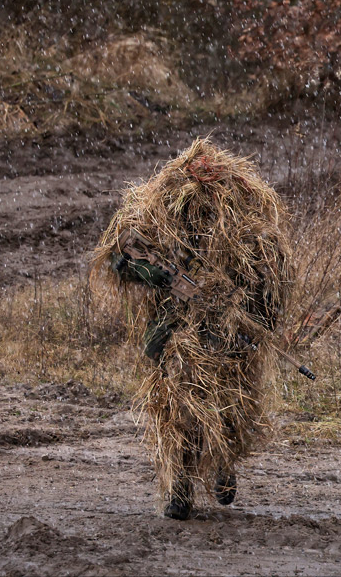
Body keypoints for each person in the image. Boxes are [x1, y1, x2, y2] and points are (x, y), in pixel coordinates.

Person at [91, 138, 292, 520]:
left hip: (231, 334)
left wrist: (253, 320)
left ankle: (222, 463)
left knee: (232, 406)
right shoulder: (159, 217)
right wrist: (167, 279)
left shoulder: (247, 225)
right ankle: (179, 487)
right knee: (176, 410)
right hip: (176, 331)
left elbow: (270, 277)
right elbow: (121, 259)